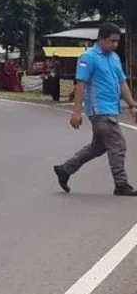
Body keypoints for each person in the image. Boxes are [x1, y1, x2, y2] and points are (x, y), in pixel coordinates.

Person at [53, 23, 137, 196]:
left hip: (112, 109)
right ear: (101, 38)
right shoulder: (88, 57)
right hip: (99, 110)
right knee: (118, 145)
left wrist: (132, 104)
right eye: (111, 41)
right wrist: (76, 112)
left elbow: (122, 83)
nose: (114, 45)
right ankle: (121, 184)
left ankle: (65, 169)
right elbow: (80, 85)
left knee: (98, 147)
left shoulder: (113, 58)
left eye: (117, 42)